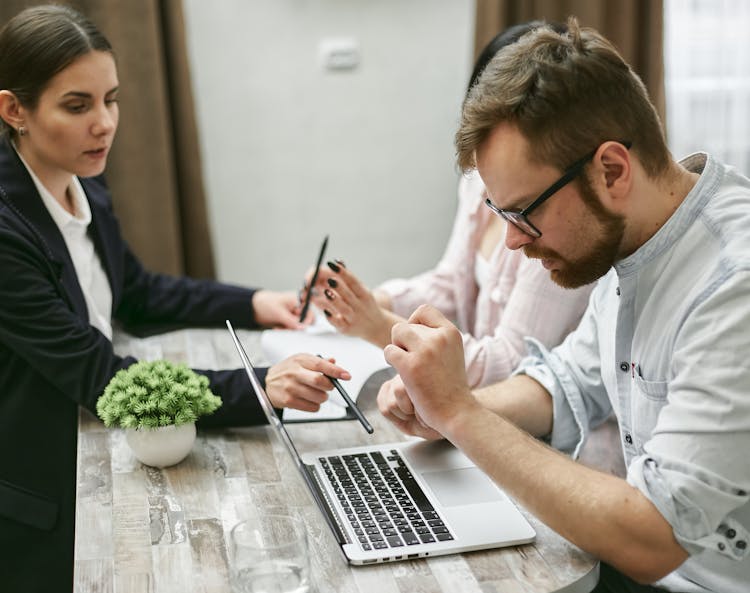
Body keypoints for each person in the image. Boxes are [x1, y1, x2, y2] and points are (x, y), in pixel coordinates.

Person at [377, 17, 750, 593]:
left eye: (525, 212)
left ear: (611, 170)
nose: (512, 240)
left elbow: (652, 536)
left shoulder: (733, 284)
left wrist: (463, 414)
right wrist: (441, 404)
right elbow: (565, 383)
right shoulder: (633, 239)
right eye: (502, 215)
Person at [0, 5, 349, 592]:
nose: (105, 124)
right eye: (77, 106)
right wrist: (259, 386)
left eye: (110, 99)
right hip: (43, 487)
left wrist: (258, 301)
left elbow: (135, 291)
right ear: (14, 110)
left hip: (99, 439)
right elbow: (100, 377)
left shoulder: (81, 178)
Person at [308, 22, 592, 389]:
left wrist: (380, 326)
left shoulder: (556, 217)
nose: (510, 235)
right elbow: (451, 284)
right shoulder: (477, 181)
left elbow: (510, 366)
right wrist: (368, 300)